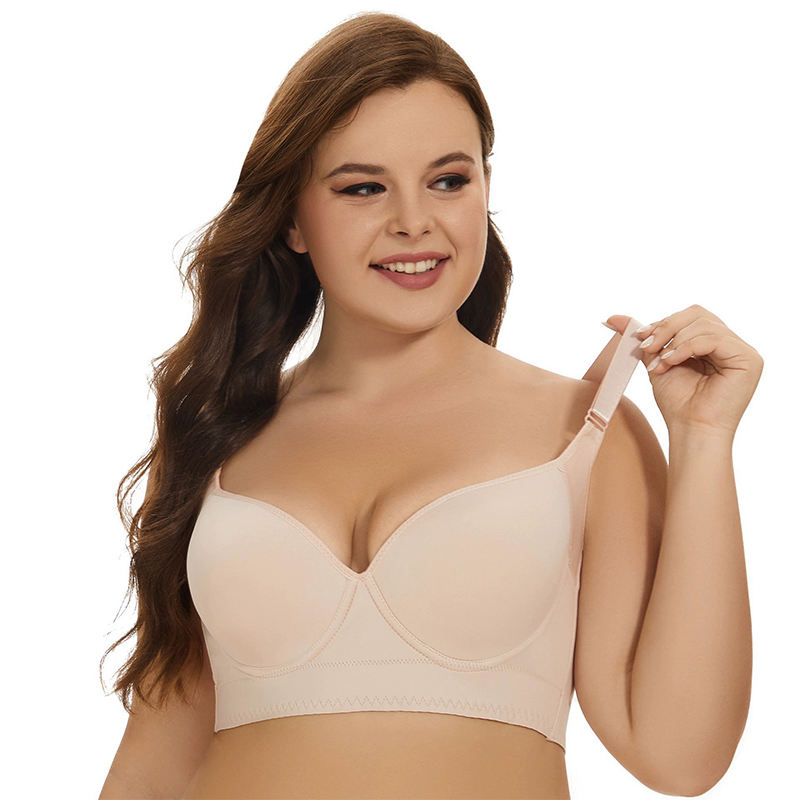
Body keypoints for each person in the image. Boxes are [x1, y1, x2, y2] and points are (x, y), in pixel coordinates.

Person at [99, 11, 759, 799]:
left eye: (449, 180)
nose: (414, 222)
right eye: (363, 188)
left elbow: (680, 756)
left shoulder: (582, 433)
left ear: (486, 187)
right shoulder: (220, 432)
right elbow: (152, 766)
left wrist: (703, 438)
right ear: (292, 218)